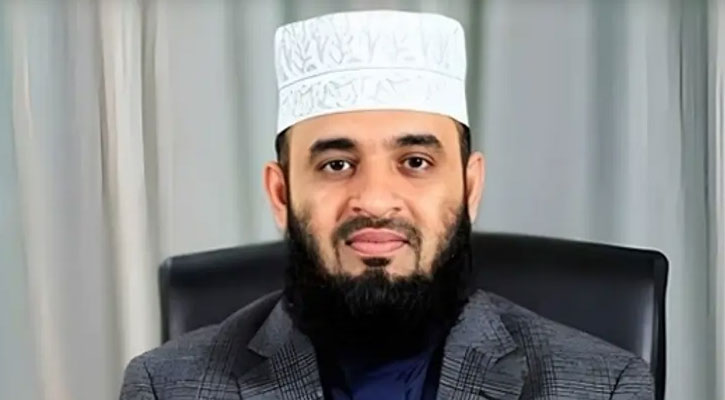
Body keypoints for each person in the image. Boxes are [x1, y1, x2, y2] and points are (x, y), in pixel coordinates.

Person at [120, 10, 653, 400]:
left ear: (470, 188)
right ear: (281, 194)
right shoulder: (168, 387)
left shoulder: (601, 386)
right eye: (336, 164)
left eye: (415, 161)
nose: (374, 199)